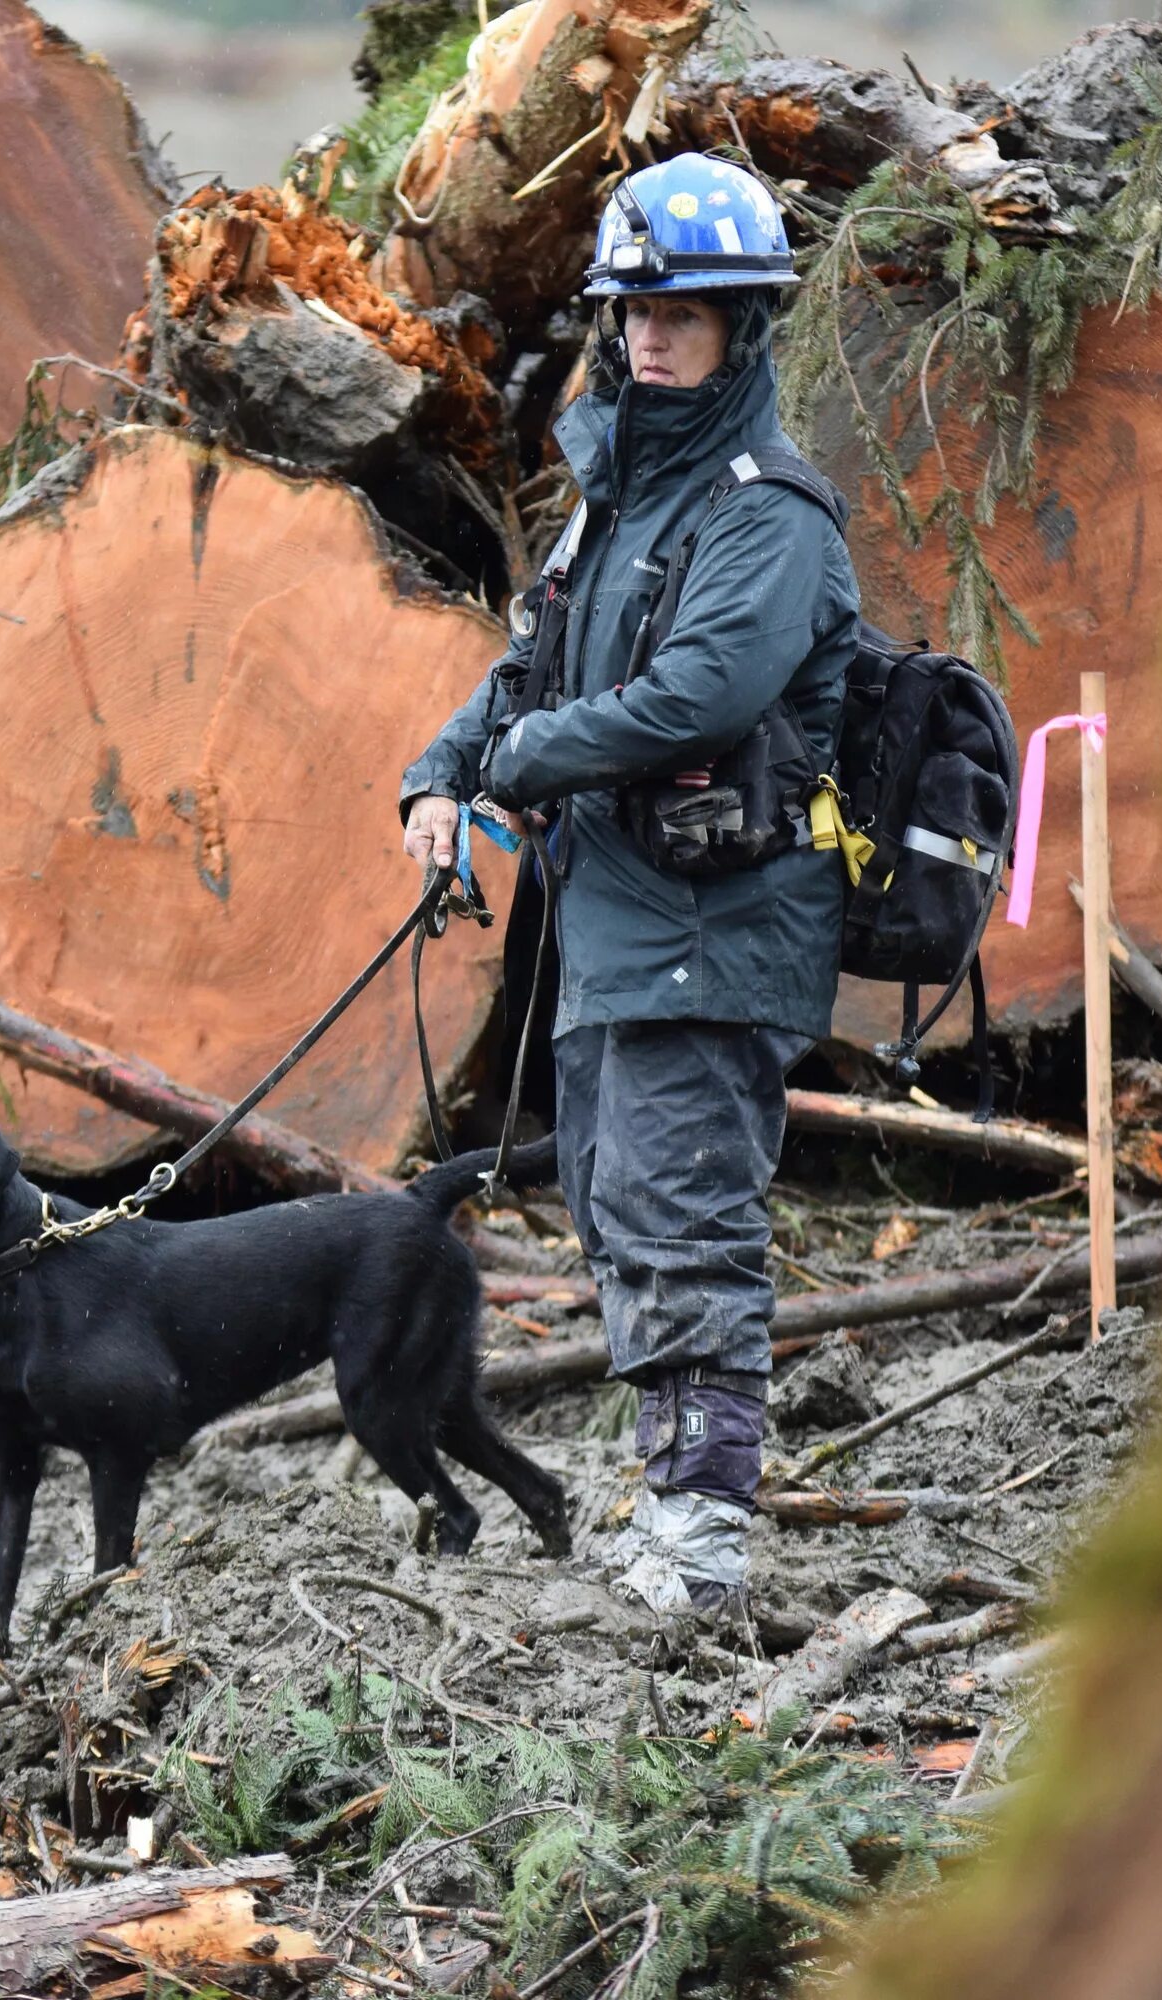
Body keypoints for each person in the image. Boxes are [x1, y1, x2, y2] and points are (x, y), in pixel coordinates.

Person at [398, 154, 860, 1625]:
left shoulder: (767, 517)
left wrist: (517, 764)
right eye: (635, 315)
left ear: (741, 328)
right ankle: (670, 1503)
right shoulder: (617, 504)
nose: (653, 339)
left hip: (717, 930)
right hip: (617, 928)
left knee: (682, 1217)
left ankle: (703, 1537)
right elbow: (528, 663)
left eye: (687, 316)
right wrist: (436, 776)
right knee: (615, 1206)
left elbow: (699, 695)